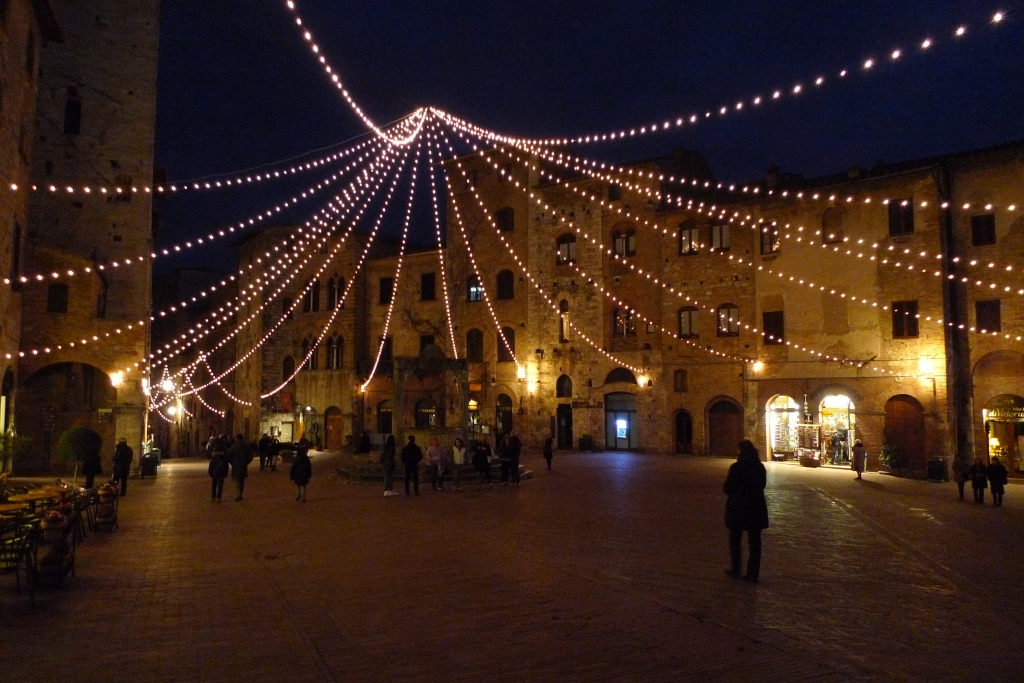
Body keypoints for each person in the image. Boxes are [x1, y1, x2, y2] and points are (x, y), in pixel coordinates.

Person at [723, 439, 769, 583]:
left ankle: (736, 568)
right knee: (754, 542)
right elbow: (762, 485)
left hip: (738, 507)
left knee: (735, 538)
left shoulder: (736, 467)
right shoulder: (759, 467)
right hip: (756, 507)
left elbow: (728, 487)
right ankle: (753, 573)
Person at [228, 434, 250, 502]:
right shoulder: (246, 446)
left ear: (236, 439)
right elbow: (250, 456)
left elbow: (229, 456)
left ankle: (238, 495)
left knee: (237, 481)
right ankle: (240, 494)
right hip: (243, 465)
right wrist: (246, 462)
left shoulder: (234, 447)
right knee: (242, 480)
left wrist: (232, 462)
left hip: (236, 466)